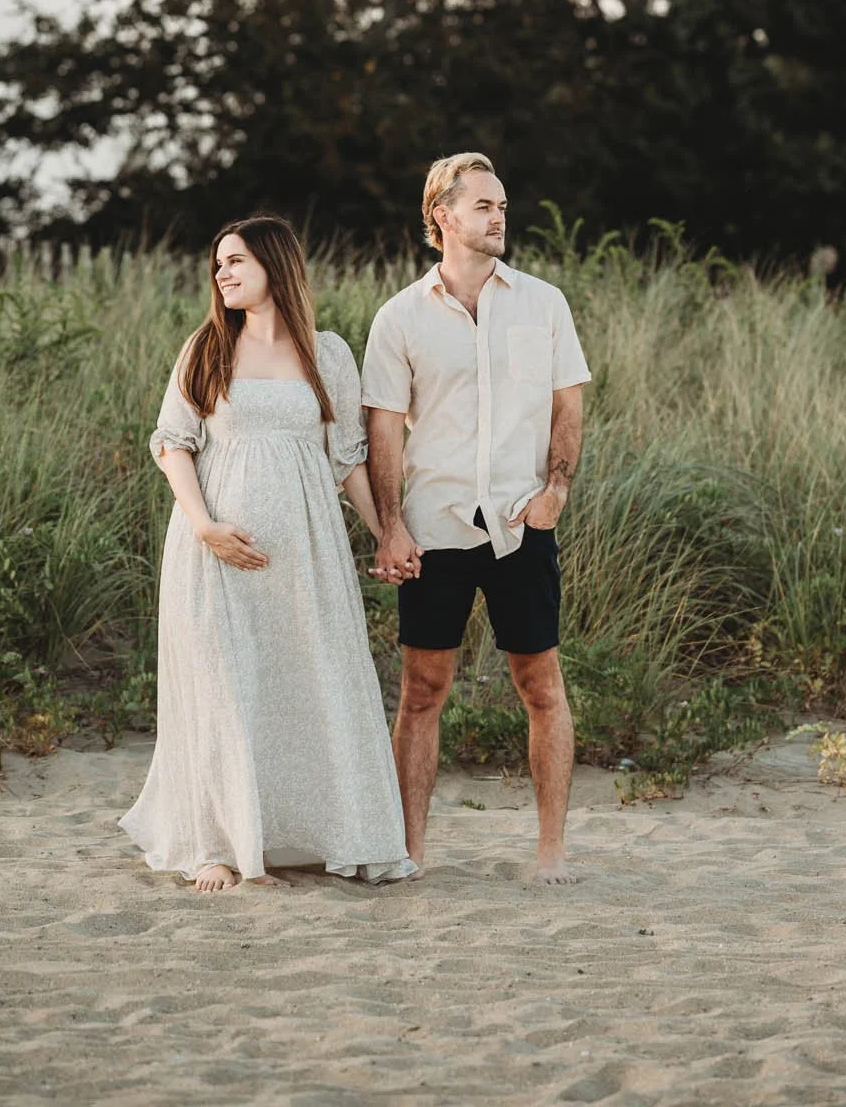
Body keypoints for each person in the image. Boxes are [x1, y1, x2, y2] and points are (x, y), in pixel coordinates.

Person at [119, 214, 413, 892]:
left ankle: (318, 834)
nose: (221, 274)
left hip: (308, 557)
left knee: (310, 682)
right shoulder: (206, 348)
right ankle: (215, 846)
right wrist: (204, 526)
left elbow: (347, 459)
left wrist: (385, 533)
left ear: (275, 266)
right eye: (218, 264)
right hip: (217, 551)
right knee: (224, 686)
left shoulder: (328, 353)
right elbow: (171, 443)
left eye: (235, 261)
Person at [363, 154, 590, 883]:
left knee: (542, 688)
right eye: (485, 206)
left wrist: (555, 488)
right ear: (442, 217)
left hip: (522, 526)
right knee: (421, 692)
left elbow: (567, 403)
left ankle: (550, 851)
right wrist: (391, 526)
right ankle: (411, 851)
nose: (500, 217)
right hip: (434, 530)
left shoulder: (542, 303)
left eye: (502, 205)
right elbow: (384, 430)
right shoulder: (398, 317)